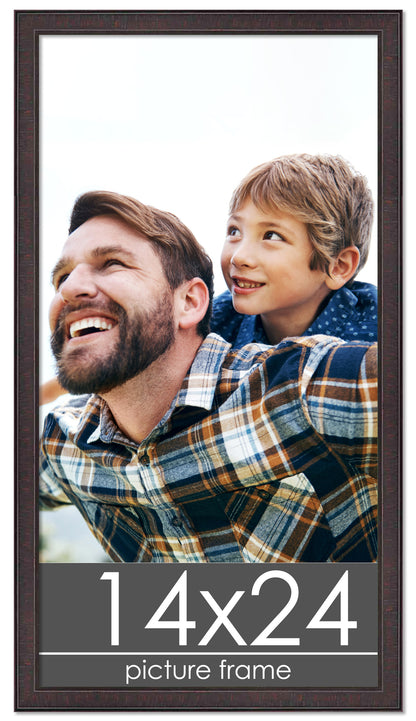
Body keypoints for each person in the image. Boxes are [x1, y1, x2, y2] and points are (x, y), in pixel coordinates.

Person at [40, 190, 377, 563]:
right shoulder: (64, 442)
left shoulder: (298, 388)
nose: (69, 288)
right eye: (63, 276)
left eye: (113, 263)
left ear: (189, 303)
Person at [211, 153, 377, 347]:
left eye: (271, 235)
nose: (238, 257)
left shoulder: (382, 335)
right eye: (235, 231)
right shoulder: (210, 324)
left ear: (338, 266)